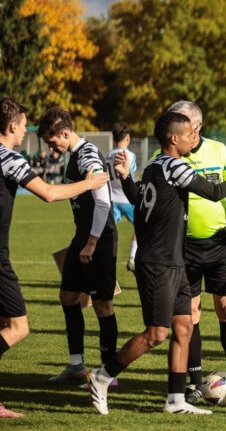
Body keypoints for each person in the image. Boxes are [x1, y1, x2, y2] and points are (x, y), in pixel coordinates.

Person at [86, 111, 226, 415]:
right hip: (159, 262)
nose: (192, 138)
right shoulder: (174, 164)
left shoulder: (156, 163)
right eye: (188, 134)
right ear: (174, 138)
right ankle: (103, 375)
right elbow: (214, 192)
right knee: (156, 334)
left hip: (175, 260)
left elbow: (137, 197)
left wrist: (126, 178)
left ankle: (175, 399)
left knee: (184, 327)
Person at [0, 98, 109, 419]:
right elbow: (47, 193)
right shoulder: (8, 156)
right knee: (18, 329)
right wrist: (88, 184)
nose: (25, 131)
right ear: (11, 126)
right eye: (23, 125)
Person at [155, 101, 226, 405]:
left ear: (196, 126)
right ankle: (195, 383)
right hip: (182, 248)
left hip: (219, 244)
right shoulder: (165, 156)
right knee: (191, 315)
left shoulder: (219, 151)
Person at [37, 107, 121, 388]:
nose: (50, 147)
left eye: (51, 141)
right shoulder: (75, 155)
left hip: (98, 239)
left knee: (102, 305)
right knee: (68, 297)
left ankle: (109, 374)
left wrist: (92, 243)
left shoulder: (87, 155)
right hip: (82, 237)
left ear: (64, 132)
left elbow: (102, 202)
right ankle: (76, 365)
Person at [104, 122, 138, 271]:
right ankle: (132, 258)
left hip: (112, 199)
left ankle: (106, 261)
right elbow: (129, 175)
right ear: (128, 138)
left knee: (109, 232)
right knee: (142, 227)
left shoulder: (106, 156)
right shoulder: (130, 155)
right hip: (128, 199)